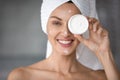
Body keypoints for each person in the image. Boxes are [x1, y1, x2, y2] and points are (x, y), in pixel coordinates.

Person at [7, 0, 120, 80]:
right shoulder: (21, 77)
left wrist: (104, 52)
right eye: (57, 23)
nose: (66, 33)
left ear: (84, 27)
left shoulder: (101, 77)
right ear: (45, 26)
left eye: (73, 24)